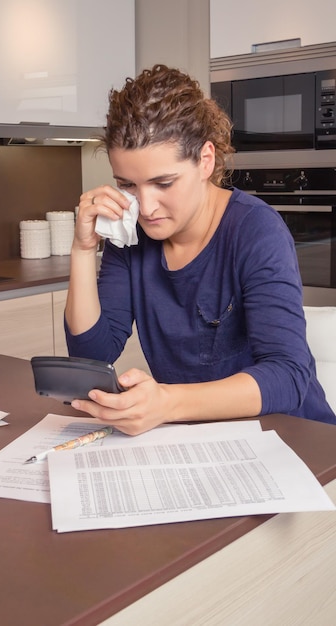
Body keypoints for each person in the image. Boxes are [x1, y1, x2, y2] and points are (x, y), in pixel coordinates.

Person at [64, 64, 336, 435]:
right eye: (127, 184)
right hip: (197, 437)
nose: (145, 207)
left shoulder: (256, 231)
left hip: (292, 438)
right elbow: (92, 359)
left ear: (205, 160)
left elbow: (287, 377)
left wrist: (167, 403)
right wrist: (82, 250)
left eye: (163, 182)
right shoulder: (130, 235)